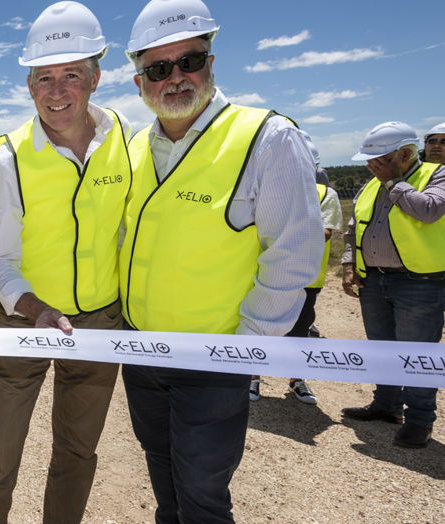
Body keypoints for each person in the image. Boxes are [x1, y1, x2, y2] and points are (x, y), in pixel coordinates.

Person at [119, 0, 322, 521]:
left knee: (203, 495)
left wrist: (246, 350)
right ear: (140, 80)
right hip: (142, 350)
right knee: (163, 478)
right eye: (159, 69)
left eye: (191, 60)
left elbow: (294, 253)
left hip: (214, 359)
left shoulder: (267, 137)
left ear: (212, 60)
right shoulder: (137, 147)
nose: (176, 78)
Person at [0, 3, 129, 523]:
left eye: (71, 75)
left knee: (77, 456)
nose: (57, 91)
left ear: (96, 77)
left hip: (101, 322)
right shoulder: (7, 157)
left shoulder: (127, 139)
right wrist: (34, 308)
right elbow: (0, 263)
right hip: (24, 321)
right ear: (29, 86)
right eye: (44, 78)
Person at [339, 121, 445, 449]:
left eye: (379, 159)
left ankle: (419, 421)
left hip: (419, 281)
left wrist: (394, 182)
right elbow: (355, 224)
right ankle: (386, 405)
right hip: (374, 280)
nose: (372, 166)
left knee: (416, 354)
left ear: (403, 154)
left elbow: (429, 211)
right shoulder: (373, 183)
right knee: (382, 349)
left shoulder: (436, 175)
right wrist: (348, 264)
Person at [250, 134, 342, 404]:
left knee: (300, 330)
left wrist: (278, 231)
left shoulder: (326, 194)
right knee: (259, 326)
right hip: (263, 272)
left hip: (306, 278)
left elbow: (323, 233)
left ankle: (296, 380)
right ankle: (253, 378)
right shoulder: (265, 189)